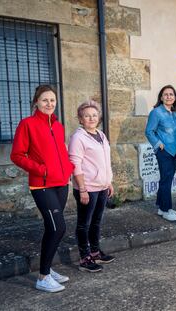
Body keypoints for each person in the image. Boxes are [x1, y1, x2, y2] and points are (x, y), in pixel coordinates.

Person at [10, 85, 74, 292]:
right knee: (58, 227)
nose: (49, 104)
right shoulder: (27, 124)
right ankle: (43, 277)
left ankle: (47, 268)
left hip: (61, 183)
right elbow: (17, 155)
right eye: (45, 100)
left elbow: (61, 151)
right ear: (36, 101)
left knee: (51, 228)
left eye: (52, 100)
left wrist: (68, 170)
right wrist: (41, 169)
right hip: (42, 184)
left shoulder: (58, 125)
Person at [68, 100, 115, 273]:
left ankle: (95, 252)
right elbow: (75, 165)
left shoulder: (101, 135)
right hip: (87, 188)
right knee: (84, 224)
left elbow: (105, 161)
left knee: (96, 221)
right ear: (80, 119)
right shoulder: (78, 137)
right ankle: (84, 258)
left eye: (94, 115)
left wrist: (108, 182)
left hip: (102, 187)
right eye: (87, 116)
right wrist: (82, 189)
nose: (91, 118)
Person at [145, 85, 176, 222]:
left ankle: (161, 207)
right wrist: (158, 144)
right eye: (166, 94)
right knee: (166, 180)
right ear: (161, 97)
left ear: (175, 97)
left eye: (171, 94)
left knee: (167, 179)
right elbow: (149, 131)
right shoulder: (156, 112)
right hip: (164, 151)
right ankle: (166, 210)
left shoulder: (175, 114)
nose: (169, 96)